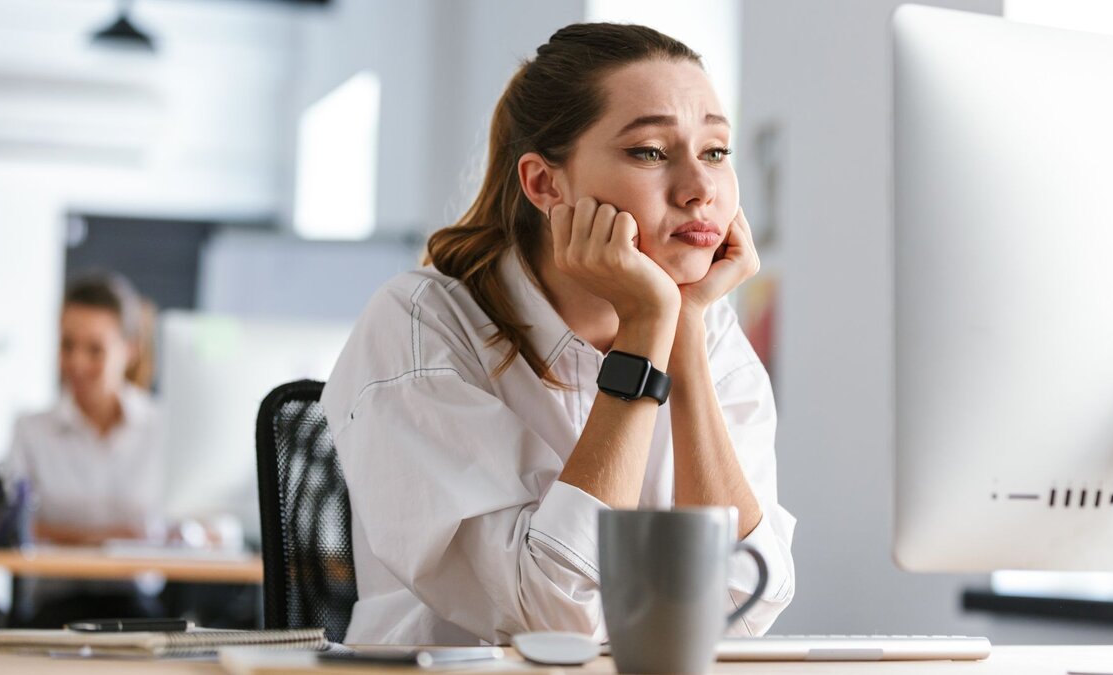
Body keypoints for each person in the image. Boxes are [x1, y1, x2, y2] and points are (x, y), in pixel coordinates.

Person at [322, 23, 796, 646]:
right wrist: (645, 334)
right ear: (546, 184)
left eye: (715, 151)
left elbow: (742, 604)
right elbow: (550, 617)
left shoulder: (706, 330)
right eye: (650, 152)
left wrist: (681, 328)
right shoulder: (420, 326)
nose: (700, 190)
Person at [0, 272, 165, 626]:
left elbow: (193, 526)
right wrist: (113, 539)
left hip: (138, 608)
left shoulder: (161, 428)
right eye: (67, 345)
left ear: (130, 349)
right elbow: (11, 527)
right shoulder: (31, 430)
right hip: (53, 608)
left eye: (95, 349)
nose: (76, 362)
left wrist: (65, 536)